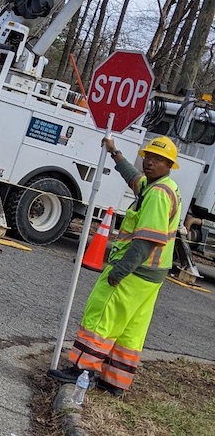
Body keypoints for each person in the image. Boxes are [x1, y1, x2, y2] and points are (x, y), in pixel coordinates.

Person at [48, 135, 182, 396]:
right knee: (131, 330)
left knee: (102, 318)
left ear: (169, 165)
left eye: (158, 160)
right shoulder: (162, 186)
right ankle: (115, 382)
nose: (150, 163)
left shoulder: (157, 195)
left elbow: (146, 242)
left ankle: (80, 370)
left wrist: (119, 272)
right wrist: (115, 153)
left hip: (133, 272)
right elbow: (134, 178)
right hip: (151, 278)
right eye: (148, 158)